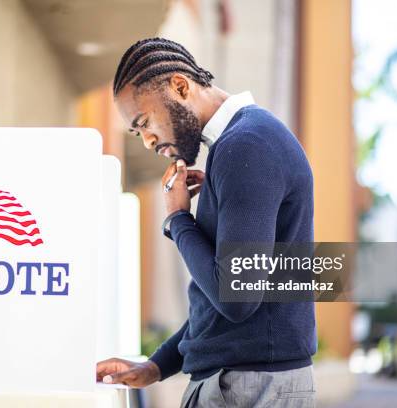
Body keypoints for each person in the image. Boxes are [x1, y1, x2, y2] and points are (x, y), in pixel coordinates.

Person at [96, 38, 317, 407]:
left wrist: (178, 219)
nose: (148, 141)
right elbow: (222, 306)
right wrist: (156, 366)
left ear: (180, 87)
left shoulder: (245, 145)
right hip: (247, 381)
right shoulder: (239, 145)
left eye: (145, 122)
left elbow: (237, 299)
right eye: (138, 133)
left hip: (249, 387)